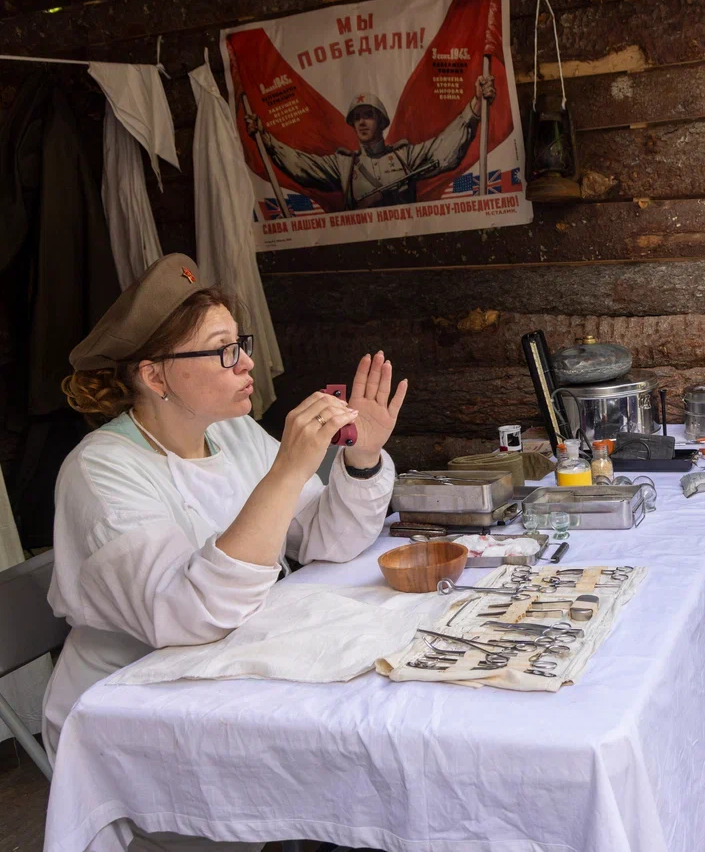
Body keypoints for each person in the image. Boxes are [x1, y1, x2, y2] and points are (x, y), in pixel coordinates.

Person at [44, 254, 406, 850]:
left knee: (375, 732)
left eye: (241, 343)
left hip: (229, 682)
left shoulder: (233, 432)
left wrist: (361, 457)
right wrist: (287, 469)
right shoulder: (102, 471)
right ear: (155, 376)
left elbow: (327, 539)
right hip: (136, 716)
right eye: (222, 351)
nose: (246, 362)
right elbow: (190, 615)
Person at [244, 77, 496, 209]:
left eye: (368, 115)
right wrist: (265, 138)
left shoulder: (404, 156)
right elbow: (302, 166)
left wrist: (475, 107)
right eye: (357, 118)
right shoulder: (345, 165)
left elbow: (444, 150)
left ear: (381, 121)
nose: (362, 122)